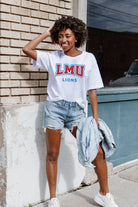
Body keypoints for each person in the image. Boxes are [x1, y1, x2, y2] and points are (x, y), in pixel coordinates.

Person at [23, 16, 119, 207]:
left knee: (97, 151)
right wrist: (46, 33)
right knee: (52, 154)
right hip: (55, 110)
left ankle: (104, 194)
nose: (63, 40)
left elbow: (92, 90)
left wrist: (95, 118)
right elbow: (27, 49)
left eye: (67, 36)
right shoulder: (53, 58)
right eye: (59, 36)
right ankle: (53, 199)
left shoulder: (88, 58)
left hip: (77, 112)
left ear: (77, 37)